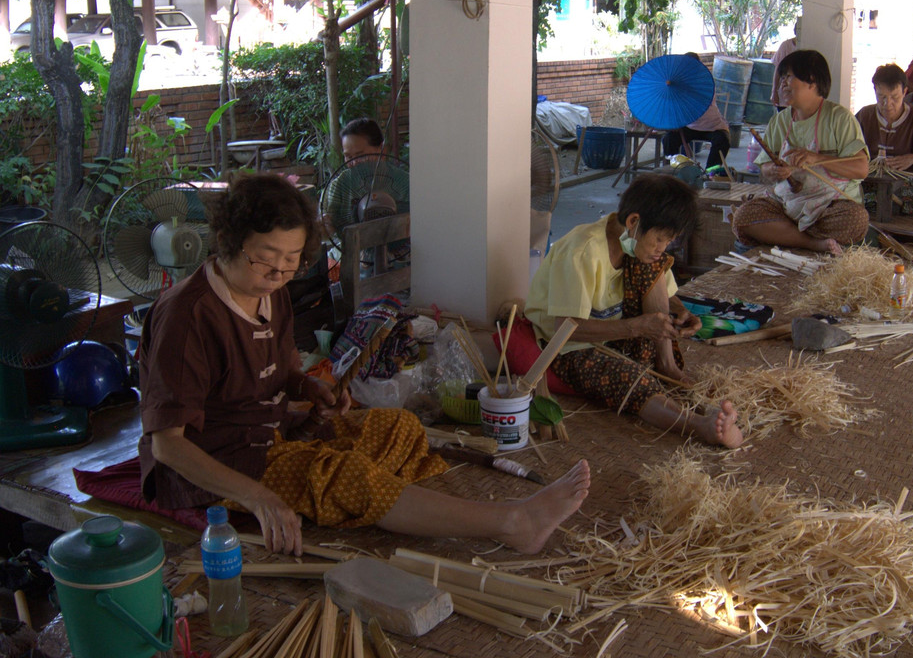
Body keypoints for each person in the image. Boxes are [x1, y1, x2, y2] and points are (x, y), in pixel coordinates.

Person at [139, 173, 590, 556]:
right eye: (265, 257)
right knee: (350, 477)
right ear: (229, 243)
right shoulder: (188, 315)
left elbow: (282, 373)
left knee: (399, 428)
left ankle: (367, 496)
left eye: (291, 260)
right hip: (221, 465)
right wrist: (259, 498)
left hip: (269, 432)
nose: (278, 273)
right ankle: (513, 523)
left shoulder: (269, 293)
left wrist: (308, 389)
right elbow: (169, 447)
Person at [524, 174, 743, 448]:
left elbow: (666, 292)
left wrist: (680, 312)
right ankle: (698, 426)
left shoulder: (636, 244)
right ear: (633, 222)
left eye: (668, 241)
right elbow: (566, 329)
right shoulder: (582, 251)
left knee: (651, 265)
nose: (662, 248)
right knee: (629, 378)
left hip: (614, 333)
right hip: (568, 346)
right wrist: (638, 326)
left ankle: (668, 367)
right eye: (660, 239)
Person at [731, 50, 870, 257]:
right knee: (743, 217)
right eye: (782, 77)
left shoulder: (839, 119)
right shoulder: (780, 121)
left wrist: (818, 159)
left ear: (812, 81)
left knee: (856, 220)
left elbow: (861, 169)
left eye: (789, 77)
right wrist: (774, 171)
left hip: (829, 206)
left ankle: (786, 234)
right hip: (787, 206)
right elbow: (764, 168)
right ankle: (814, 243)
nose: (782, 84)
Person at [854, 64, 913, 172]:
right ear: (875, 91)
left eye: (894, 97)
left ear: (904, 92)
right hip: (869, 182)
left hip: (906, 184)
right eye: (881, 96)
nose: (887, 103)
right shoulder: (864, 115)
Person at [661, 52, 731, 172]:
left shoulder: (705, 82)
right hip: (690, 126)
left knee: (722, 140)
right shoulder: (678, 82)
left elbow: (693, 105)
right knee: (669, 139)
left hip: (712, 126)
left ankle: (710, 172)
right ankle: (674, 169)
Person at [770, 17, 801, 108]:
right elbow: (778, 70)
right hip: (784, 95)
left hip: (799, 96)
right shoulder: (786, 46)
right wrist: (774, 91)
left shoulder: (807, 46)